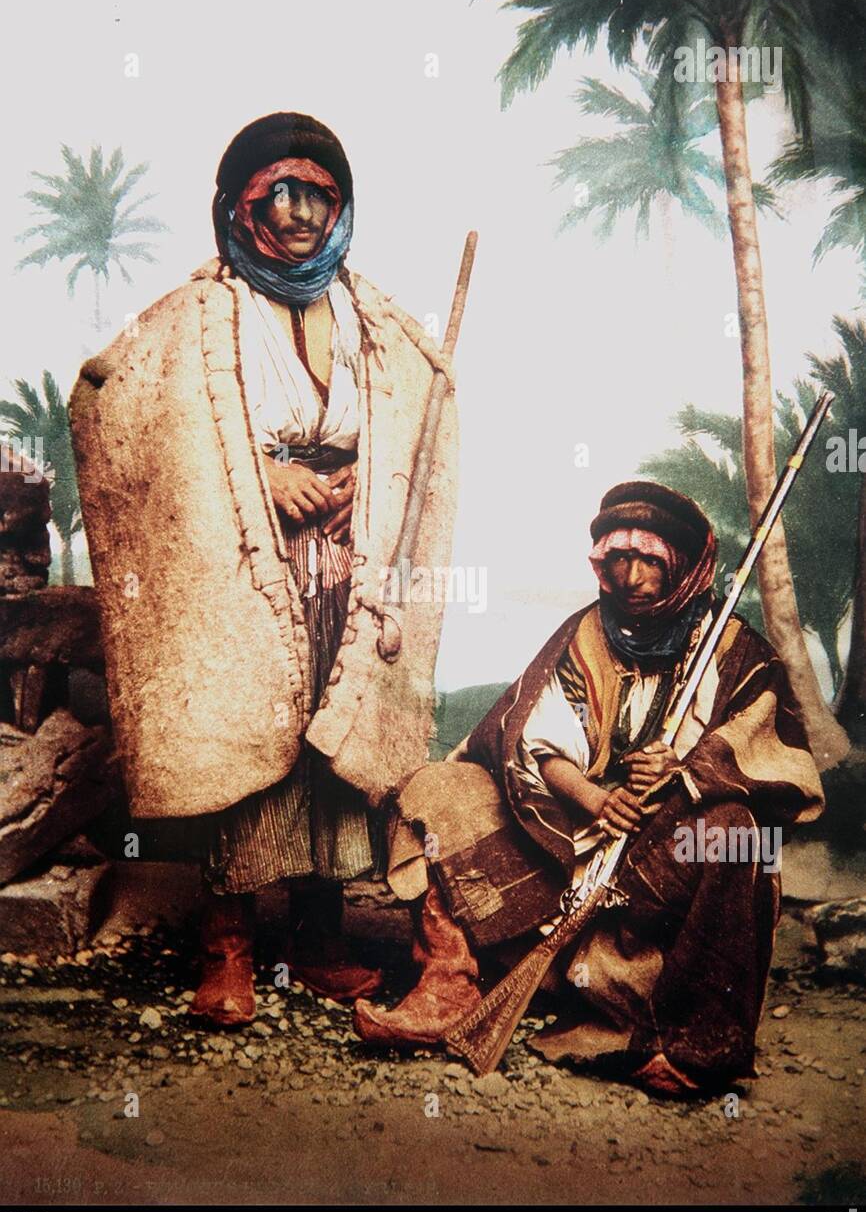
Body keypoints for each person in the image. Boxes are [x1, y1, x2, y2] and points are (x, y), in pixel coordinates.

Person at [69, 112, 459, 1029]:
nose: (294, 214)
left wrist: (374, 478)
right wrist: (255, 475)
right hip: (244, 562)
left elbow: (415, 426)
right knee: (250, 740)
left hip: (349, 570)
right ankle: (230, 946)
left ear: (340, 206)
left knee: (339, 741)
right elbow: (110, 400)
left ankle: (318, 942)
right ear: (237, 209)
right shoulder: (203, 313)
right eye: (274, 195)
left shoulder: (375, 320)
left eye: (315, 195)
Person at [353, 481, 825, 1096]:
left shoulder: (737, 652)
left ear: (683, 564)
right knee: (441, 787)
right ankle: (448, 986)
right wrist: (597, 799)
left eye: (649, 560)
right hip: (568, 840)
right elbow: (538, 743)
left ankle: (698, 1047)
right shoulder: (584, 636)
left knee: (734, 831)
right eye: (616, 560)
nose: (630, 577)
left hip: (659, 865)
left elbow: (774, 756)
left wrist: (686, 772)